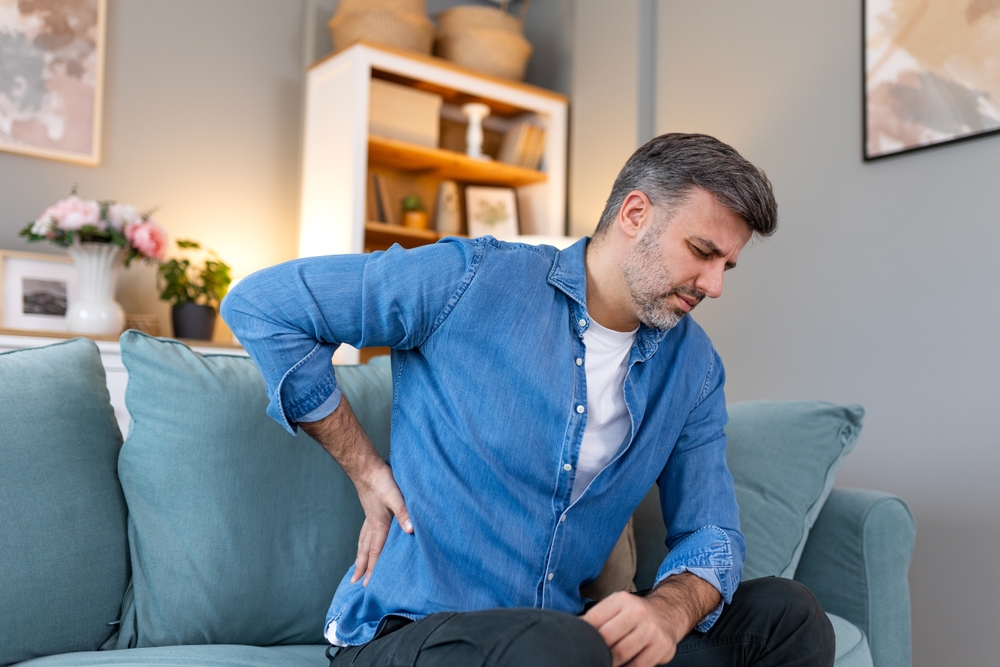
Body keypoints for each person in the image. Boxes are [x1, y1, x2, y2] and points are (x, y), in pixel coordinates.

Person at [222, 133, 836, 667]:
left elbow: (711, 531)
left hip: (567, 645)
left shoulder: (694, 367)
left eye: (728, 264)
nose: (715, 285)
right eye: (703, 253)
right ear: (635, 213)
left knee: (788, 615)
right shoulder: (470, 279)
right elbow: (263, 305)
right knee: (557, 648)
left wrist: (669, 613)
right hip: (414, 635)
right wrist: (364, 467)